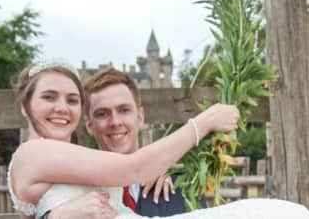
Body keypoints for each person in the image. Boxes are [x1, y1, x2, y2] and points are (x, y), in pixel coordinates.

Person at [8, 60, 309, 219]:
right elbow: (131, 169)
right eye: (49, 97)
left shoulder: (70, 160)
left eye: (72, 100)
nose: (62, 108)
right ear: (25, 106)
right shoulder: (33, 153)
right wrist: (203, 123)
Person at [45, 67, 205, 219]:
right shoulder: (74, 190)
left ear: (140, 117)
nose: (115, 122)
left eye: (124, 110)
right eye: (102, 114)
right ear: (89, 125)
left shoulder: (182, 186)